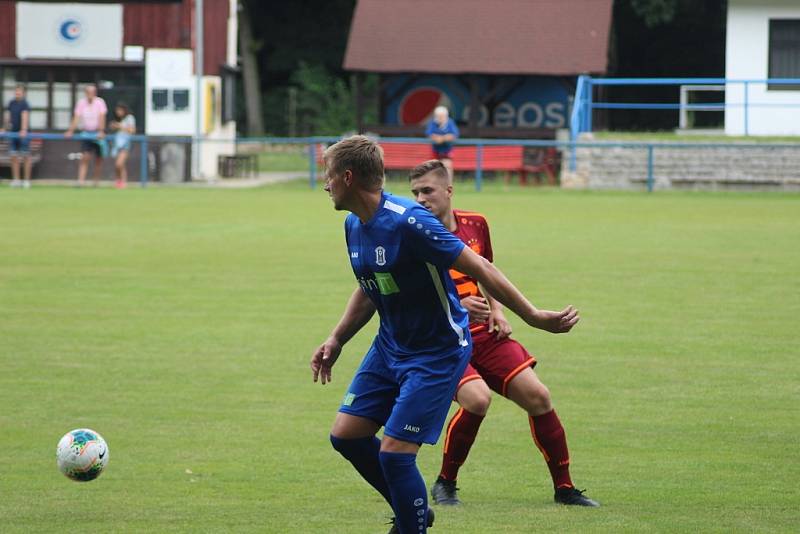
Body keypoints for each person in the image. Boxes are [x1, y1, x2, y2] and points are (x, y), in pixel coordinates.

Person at [310, 135, 580, 534]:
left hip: (435, 353)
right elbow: (372, 287)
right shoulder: (355, 224)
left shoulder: (411, 222)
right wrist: (336, 339)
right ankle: (414, 509)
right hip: (389, 347)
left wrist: (534, 316)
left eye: (329, 174)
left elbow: (482, 268)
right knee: (347, 436)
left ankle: (411, 524)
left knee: (395, 455)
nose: (325, 183)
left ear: (348, 177)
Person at [407, 159, 599, 508]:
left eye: (428, 191)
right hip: (440, 340)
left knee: (538, 396)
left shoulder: (475, 223)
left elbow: (486, 270)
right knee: (478, 400)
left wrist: (496, 310)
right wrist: (459, 307)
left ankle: (565, 489)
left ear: (448, 191)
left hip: (483, 333)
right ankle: (445, 483)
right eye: (415, 193)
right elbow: (405, 298)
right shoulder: (411, 235)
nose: (420, 199)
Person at [65, 84, 107, 187]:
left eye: (92, 92)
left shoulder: (100, 102)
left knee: (98, 159)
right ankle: (81, 181)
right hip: (86, 133)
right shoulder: (81, 103)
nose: (90, 94)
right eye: (88, 92)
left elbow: (102, 116)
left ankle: (96, 182)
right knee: (85, 157)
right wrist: (70, 130)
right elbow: (76, 117)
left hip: (97, 134)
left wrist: (101, 131)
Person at [1, 84, 32, 188]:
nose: (17, 93)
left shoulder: (25, 103)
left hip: (23, 134)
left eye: (19, 91)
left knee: (26, 156)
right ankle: (16, 179)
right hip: (13, 133)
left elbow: (25, 116)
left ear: (23, 93)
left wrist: (23, 130)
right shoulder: (11, 103)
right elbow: (8, 117)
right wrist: (4, 128)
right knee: (13, 156)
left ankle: (27, 180)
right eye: (16, 91)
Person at [424, 106, 459, 178]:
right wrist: (439, 138)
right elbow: (429, 134)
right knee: (432, 168)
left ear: (446, 116)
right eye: (438, 116)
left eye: (442, 116)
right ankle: (434, 186)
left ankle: (448, 186)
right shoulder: (433, 122)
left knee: (447, 166)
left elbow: (454, 135)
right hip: (435, 150)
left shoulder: (450, 122)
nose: (440, 118)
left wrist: (442, 138)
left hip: (447, 150)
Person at [109, 102, 135, 189]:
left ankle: (122, 182)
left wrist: (119, 126)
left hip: (125, 144)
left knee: (119, 164)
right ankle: (120, 181)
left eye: (119, 110)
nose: (118, 112)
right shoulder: (119, 119)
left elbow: (132, 131)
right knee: (120, 165)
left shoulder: (129, 118)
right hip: (117, 145)